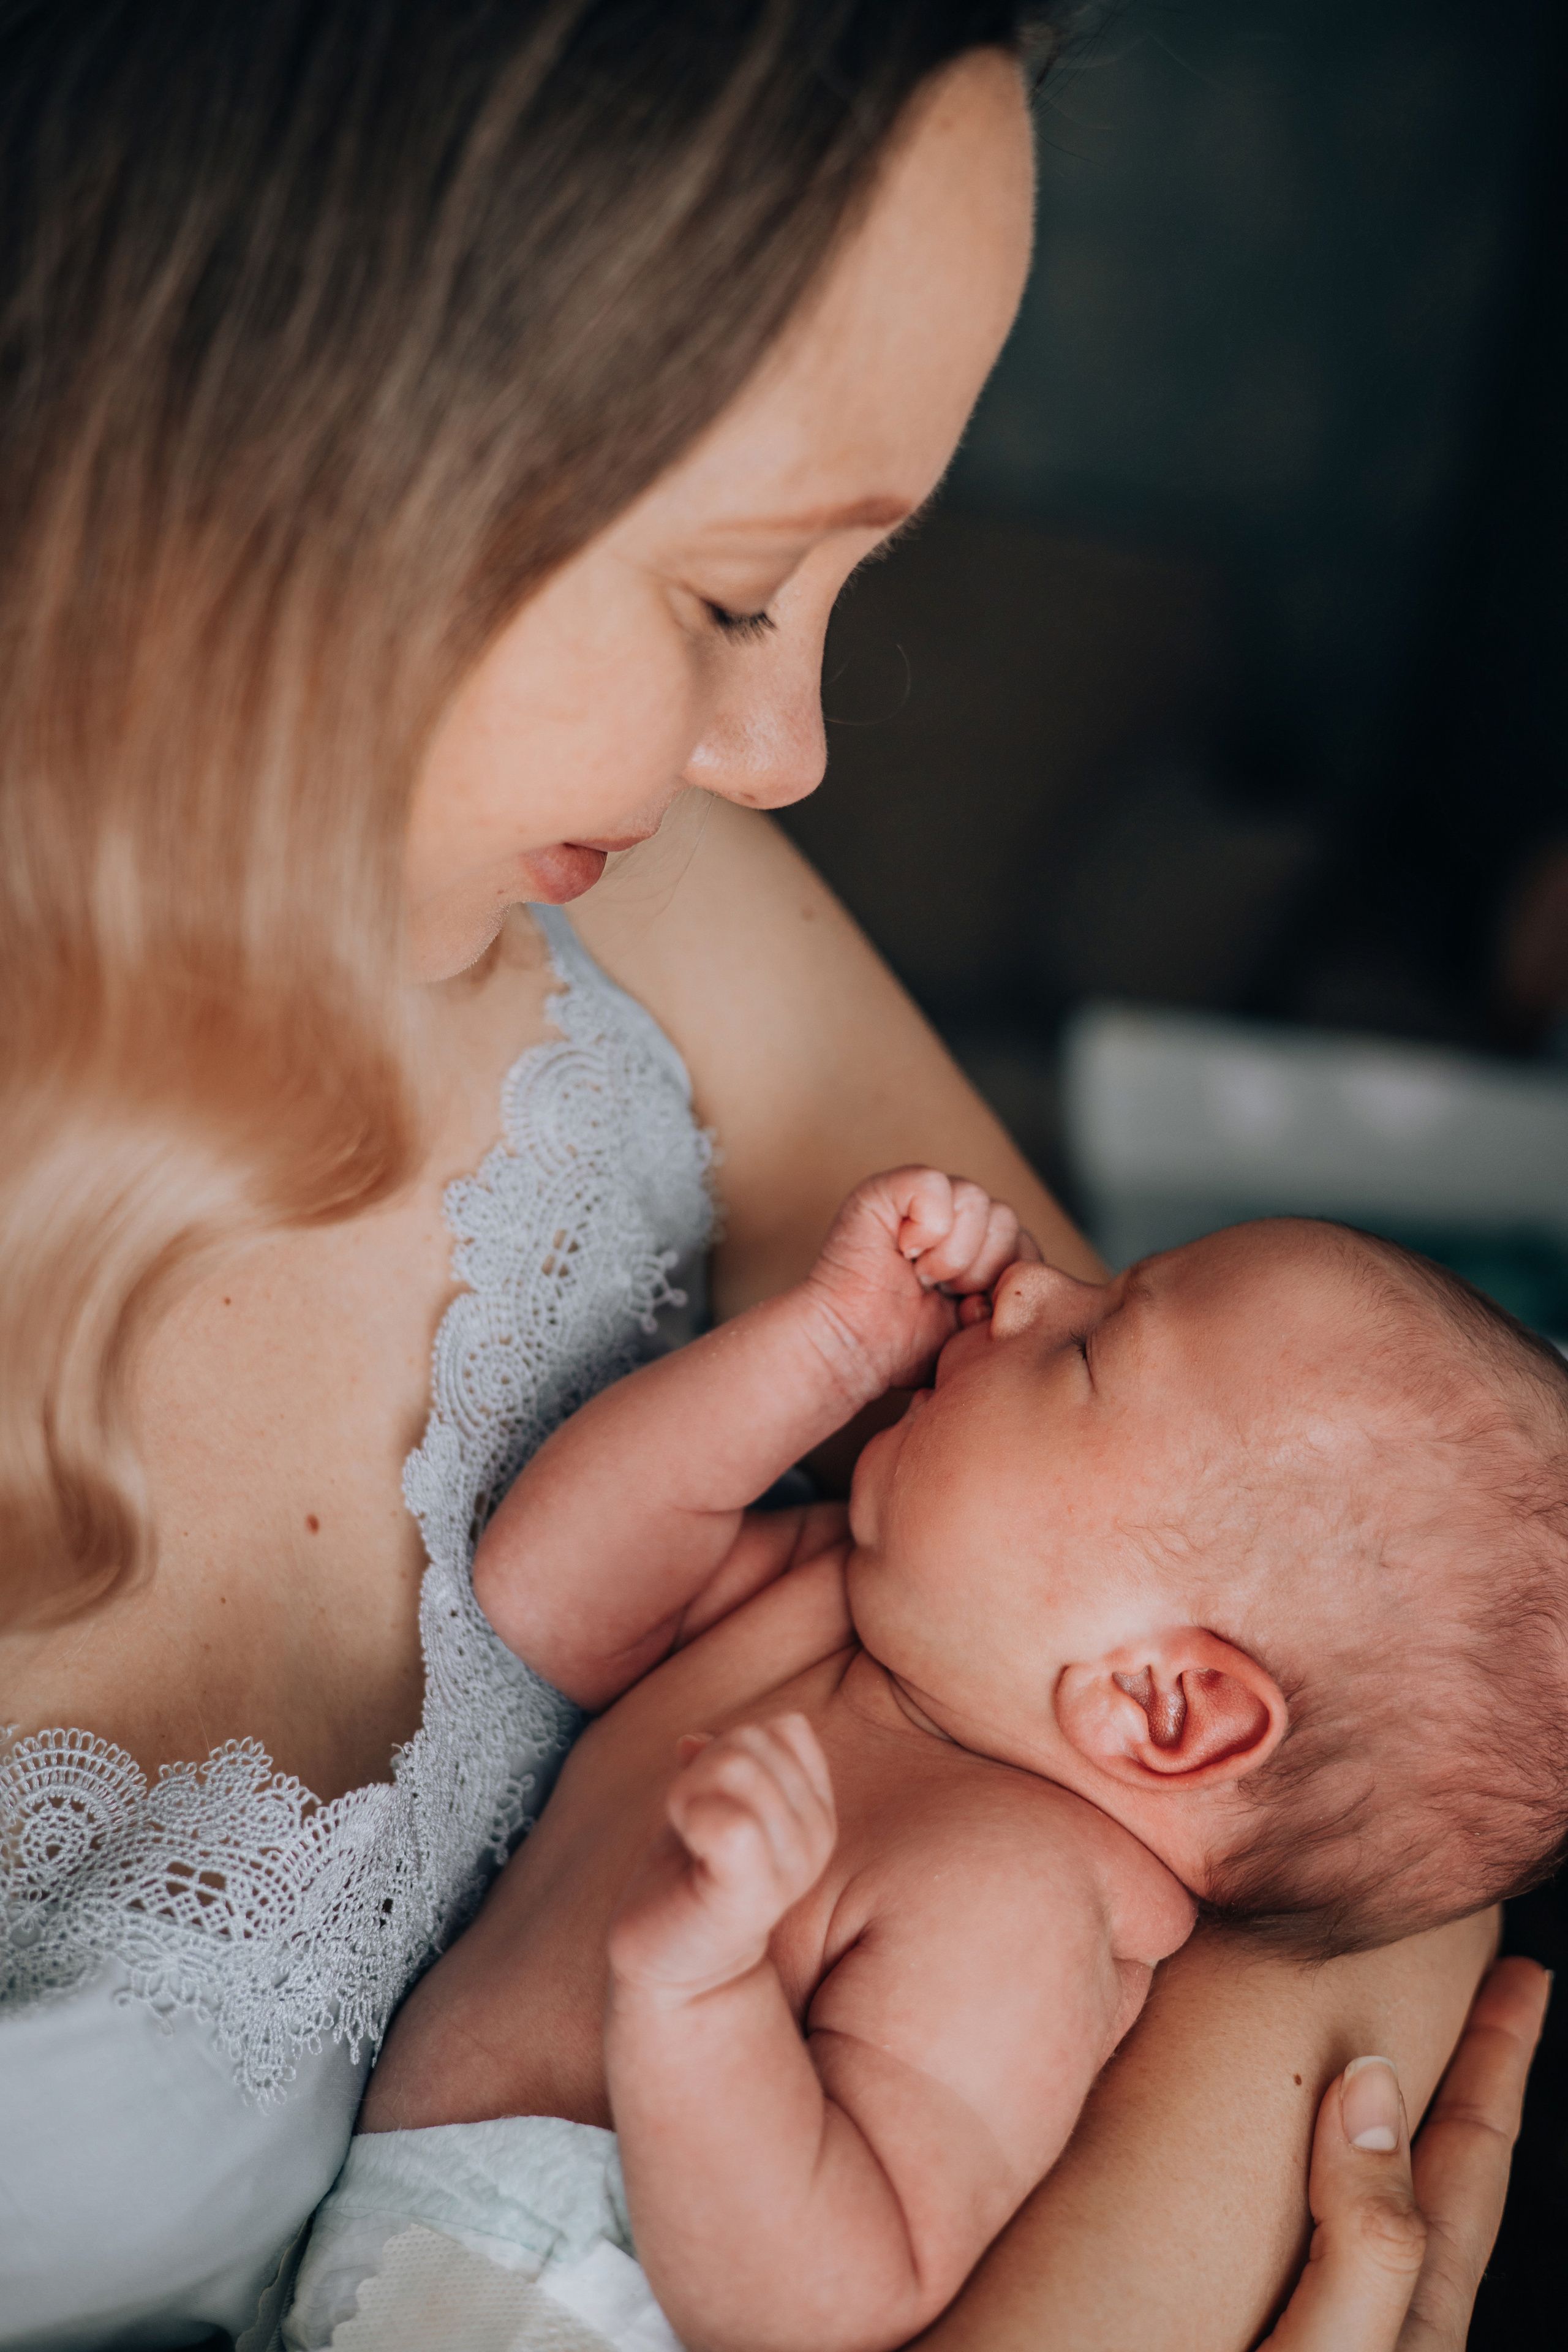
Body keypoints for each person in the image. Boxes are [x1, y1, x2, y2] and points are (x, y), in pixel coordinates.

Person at [0, 6, 1545, 2348]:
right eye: (734, 592)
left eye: (852, 583)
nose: (787, 752)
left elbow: (1387, 1779)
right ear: (281, 447)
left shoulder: (634, 895)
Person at [279, 1175, 1565, 2350]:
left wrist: (705, 1990)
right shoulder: (852, 1608)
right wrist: (829, 1352)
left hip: (562, 2304)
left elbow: (829, 2288)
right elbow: (545, 1594)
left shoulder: (1015, 1900)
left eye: (1089, 1348)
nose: (1031, 1286)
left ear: (1162, 1705)